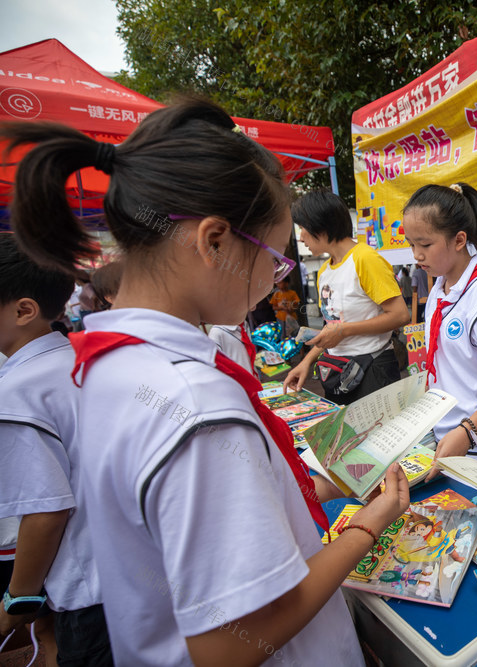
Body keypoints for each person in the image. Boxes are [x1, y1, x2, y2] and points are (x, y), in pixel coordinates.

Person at [1, 98, 409, 665]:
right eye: (276, 255)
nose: (275, 277)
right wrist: (365, 530)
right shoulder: (193, 403)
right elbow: (225, 645)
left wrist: (338, 481)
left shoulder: (106, 363)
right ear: (214, 241)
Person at [0, 234, 111, 665]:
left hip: (87, 592)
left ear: (24, 310)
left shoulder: (17, 393)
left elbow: (46, 512)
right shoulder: (76, 360)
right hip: (125, 574)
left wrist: (17, 600)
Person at [402, 182, 477, 463]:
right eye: (411, 244)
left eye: (425, 244)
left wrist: (467, 431)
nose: (416, 255)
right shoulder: (439, 288)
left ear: (458, 240)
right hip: (446, 436)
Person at [284, 190, 409, 403]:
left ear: (320, 226)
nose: (300, 237)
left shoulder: (365, 259)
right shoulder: (324, 271)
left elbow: (399, 315)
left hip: (373, 371)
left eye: (303, 228)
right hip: (337, 371)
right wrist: (306, 362)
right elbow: (332, 329)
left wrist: (345, 330)